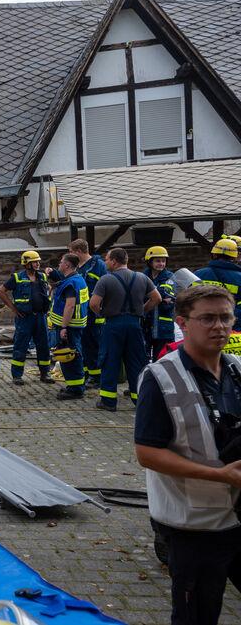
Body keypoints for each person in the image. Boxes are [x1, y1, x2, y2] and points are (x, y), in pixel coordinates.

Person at [134, 285, 241, 625]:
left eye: (225, 317)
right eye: (207, 318)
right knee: (197, 615)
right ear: (182, 322)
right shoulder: (160, 377)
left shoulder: (236, 369)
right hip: (192, 524)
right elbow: (148, 453)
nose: (219, 327)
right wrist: (220, 475)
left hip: (237, 516)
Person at [90, 247, 161, 411]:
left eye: (107, 259)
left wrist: (101, 314)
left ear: (114, 261)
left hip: (113, 324)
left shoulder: (106, 280)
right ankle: (139, 400)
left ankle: (108, 402)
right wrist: (142, 310)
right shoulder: (142, 278)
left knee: (110, 361)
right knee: (136, 362)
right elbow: (156, 298)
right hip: (135, 324)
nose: (106, 262)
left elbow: (94, 303)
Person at [0, 250, 53, 386]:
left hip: (40, 317)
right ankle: (17, 376)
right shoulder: (17, 277)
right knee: (21, 346)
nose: (38, 264)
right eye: (35, 262)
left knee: (44, 346)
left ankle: (45, 373)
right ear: (27, 263)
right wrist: (13, 309)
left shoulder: (42, 277)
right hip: (24, 318)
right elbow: (0, 291)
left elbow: (49, 288)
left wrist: (48, 301)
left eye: (38, 261)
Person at [66, 239, 109, 387]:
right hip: (81, 314)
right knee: (83, 346)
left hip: (95, 315)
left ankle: (97, 377)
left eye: (71, 252)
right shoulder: (78, 268)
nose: (69, 255)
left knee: (93, 346)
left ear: (78, 251)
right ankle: (85, 373)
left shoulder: (98, 266)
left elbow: (106, 289)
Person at [47, 254, 88, 400]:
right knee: (73, 355)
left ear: (68, 265)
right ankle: (74, 386)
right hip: (75, 325)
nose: (59, 263)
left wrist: (64, 327)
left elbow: (70, 306)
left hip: (69, 326)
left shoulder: (71, 283)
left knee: (69, 356)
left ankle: (76, 389)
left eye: (61, 261)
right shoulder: (78, 279)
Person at [196, 238, 241, 332]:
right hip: (232, 327)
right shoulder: (239, 277)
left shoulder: (198, 274)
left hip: (202, 324)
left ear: (214, 254)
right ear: (235, 256)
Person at [143, 246, 177, 361]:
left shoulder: (170, 277)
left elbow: (168, 299)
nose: (161, 264)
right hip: (146, 325)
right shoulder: (143, 277)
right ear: (149, 261)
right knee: (143, 358)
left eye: (163, 261)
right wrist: (159, 296)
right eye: (158, 261)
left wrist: (152, 295)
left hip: (163, 329)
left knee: (162, 359)